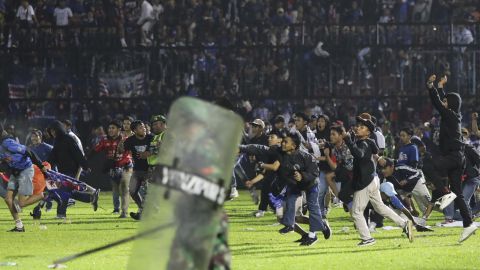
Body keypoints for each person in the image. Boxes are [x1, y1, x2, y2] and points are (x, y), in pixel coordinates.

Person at [344, 113, 413, 246]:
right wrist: (350, 138)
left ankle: (367, 238)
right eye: (358, 126)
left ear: (368, 132)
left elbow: (359, 154)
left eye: (362, 127)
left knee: (357, 212)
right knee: (380, 207)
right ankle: (404, 224)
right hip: (372, 179)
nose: (358, 128)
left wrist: (348, 140)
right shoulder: (365, 141)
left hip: (365, 181)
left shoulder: (364, 143)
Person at [426, 74, 477, 242]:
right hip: (458, 157)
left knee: (428, 165)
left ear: (451, 104)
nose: (444, 103)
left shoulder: (449, 115)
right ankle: (469, 224)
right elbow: (443, 103)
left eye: (446, 101)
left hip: (453, 156)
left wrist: (432, 87)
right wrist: (441, 87)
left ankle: (444, 192)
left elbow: (438, 104)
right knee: (458, 193)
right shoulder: (454, 116)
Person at [0, 123, 47, 232]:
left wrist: (41, 166)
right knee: (8, 199)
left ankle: (45, 195)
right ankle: (19, 226)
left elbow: (28, 151)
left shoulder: (7, 143)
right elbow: (5, 162)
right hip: (15, 172)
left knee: (21, 203)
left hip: (25, 170)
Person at [94, 120, 133, 218]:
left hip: (126, 166)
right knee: (115, 189)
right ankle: (116, 209)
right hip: (113, 167)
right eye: (109, 128)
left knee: (124, 188)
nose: (110, 130)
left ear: (119, 129)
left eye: (113, 128)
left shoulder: (125, 139)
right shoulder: (105, 140)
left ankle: (124, 212)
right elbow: (94, 150)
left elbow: (131, 152)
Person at [121, 120, 153, 220]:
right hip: (137, 170)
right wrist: (121, 143)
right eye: (140, 127)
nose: (144, 128)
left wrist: (149, 152)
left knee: (148, 193)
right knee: (132, 191)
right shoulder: (130, 140)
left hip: (150, 169)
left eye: (143, 126)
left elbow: (159, 150)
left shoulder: (151, 138)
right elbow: (121, 150)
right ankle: (142, 209)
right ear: (134, 130)